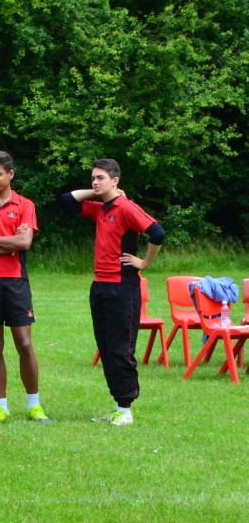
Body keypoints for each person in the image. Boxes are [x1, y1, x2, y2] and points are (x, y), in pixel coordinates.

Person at [61, 159, 165, 426]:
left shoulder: (126, 208)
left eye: (101, 178)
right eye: (93, 178)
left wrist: (144, 262)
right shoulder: (101, 209)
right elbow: (67, 200)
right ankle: (118, 405)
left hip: (123, 288)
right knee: (106, 348)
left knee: (121, 349)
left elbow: (157, 232)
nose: (95, 182)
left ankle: (126, 409)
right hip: (100, 286)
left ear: (115, 180)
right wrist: (97, 191)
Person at [0, 151, 50, 425]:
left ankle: (34, 405)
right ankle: (0, 407)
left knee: (24, 342)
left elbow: (24, 244)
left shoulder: (25, 205)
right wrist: (5, 241)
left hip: (16, 282)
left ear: (11, 174)